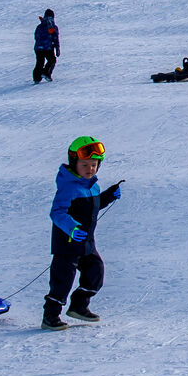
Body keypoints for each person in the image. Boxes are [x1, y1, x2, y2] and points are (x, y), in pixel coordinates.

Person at [44, 135, 122, 329]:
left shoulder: (91, 185)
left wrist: (108, 196)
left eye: (94, 165)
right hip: (67, 245)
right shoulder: (68, 187)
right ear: (74, 163)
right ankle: (50, 316)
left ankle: (79, 306)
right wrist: (71, 228)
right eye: (85, 165)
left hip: (86, 243)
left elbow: (92, 207)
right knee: (62, 281)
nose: (90, 169)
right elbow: (57, 212)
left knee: (96, 271)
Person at [33, 9, 60, 83]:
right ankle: (46, 73)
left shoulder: (39, 26)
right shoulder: (52, 26)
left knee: (39, 62)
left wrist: (40, 43)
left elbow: (36, 36)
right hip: (48, 47)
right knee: (52, 60)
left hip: (38, 48)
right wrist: (57, 48)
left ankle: (36, 78)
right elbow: (55, 37)